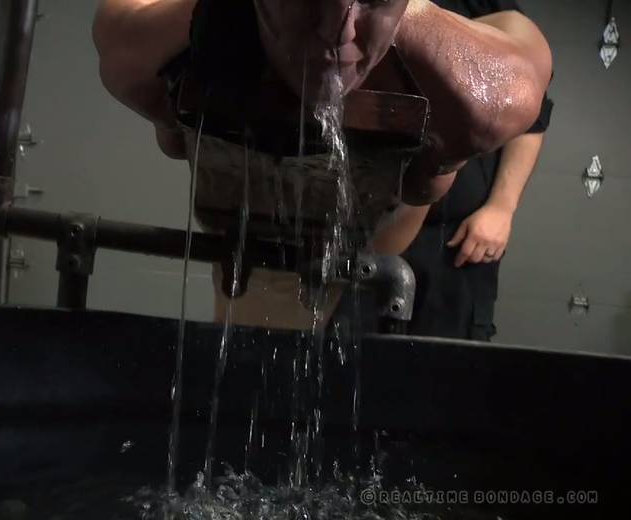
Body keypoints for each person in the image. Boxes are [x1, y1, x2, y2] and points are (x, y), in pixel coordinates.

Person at [93, 0, 552, 329]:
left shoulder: (479, 94)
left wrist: (497, 203)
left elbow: (428, 181)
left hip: (403, 213)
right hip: (252, 208)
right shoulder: (155, 46)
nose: (337, 34)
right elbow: (169, 132)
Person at [402, 0, 553, 341]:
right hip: (378, 217)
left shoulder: (492, 8)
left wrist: (501, 208)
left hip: (459, 238)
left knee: (448, 358)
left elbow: (533, 114)